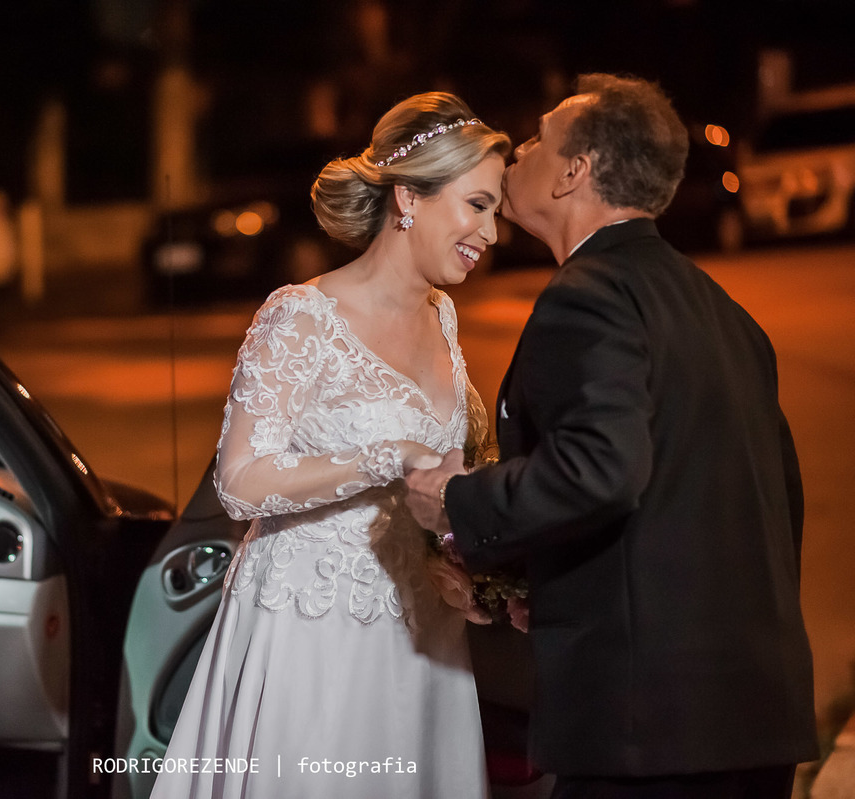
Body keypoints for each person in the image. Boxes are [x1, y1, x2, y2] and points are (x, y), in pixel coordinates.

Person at [404, 73, 818, 798]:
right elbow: (767, 503)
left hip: (649, 731)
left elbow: (602, 467)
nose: (517, 153)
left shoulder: (589, 294)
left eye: (536, 139)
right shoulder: (725, 314)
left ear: (574, 171)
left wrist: (459, 499)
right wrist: (544, 580)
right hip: (755, 716)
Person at [149, 92, 510, 799]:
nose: (492, 232)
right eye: (477, 205)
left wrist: (463, 564)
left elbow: (441, 478)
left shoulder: (444, 316)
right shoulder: (300, 315)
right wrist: (383, 457)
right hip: (313, 632)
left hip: (422, 638)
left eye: (495, 210)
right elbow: (240, 480)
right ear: (409, 198)